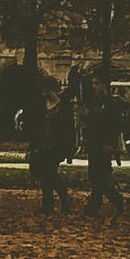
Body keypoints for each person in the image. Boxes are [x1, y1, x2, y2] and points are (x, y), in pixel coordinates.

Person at [75, 69, 125, 221]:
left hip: (103, 143)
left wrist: (110, 143)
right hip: (93, 143)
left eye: (97, 83)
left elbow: (114, 125)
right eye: (92, 84)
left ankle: (103, 204)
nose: (94, 86)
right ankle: (98, 205)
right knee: (95, 177)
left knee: (100, 177)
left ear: (104, 85)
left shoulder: (110, 103)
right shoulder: (92, 102)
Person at [31, 82, 75, 213]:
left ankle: (60, 198)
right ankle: (52, 203)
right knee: (46, 176)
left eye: (47, 91)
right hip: (42, 143)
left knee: (49, 173)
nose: (45, 94)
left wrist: (70, 149)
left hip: (56, 145)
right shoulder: (41, 105)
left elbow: (69, 129)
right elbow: (37, 126)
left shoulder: (64, 107)